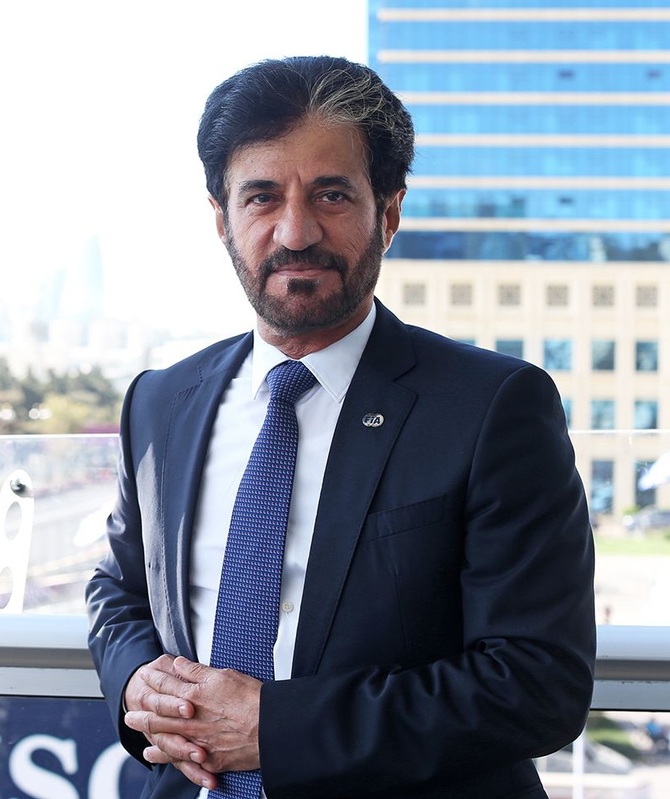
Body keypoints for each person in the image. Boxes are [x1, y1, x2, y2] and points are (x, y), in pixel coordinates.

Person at [86, 55, 596, 799]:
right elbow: (119, 588)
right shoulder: (160, 402)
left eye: (331, 194)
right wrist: (137, 680)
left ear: (388, 213)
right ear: (222, 219)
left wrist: (276, 730)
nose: (295, 233)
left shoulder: (493, 407)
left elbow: (537, 681)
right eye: (261, 197)